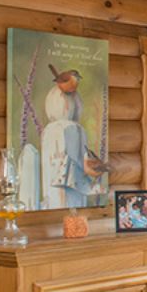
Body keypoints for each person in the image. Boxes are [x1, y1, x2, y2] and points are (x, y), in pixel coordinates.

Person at [40, 65, 108, 208]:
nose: (76, 80)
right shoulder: (58, 130)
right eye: (75, 77)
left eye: (77, 78)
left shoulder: (76, 130)